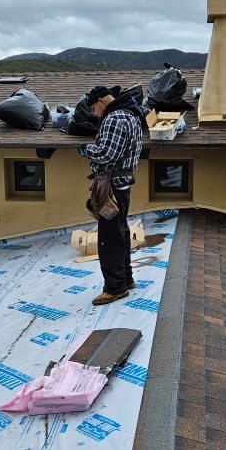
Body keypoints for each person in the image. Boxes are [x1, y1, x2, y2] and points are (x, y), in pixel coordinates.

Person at [78, 84, 144, 305]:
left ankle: (115, 288)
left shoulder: (114, 118)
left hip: (112, 188)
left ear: (102, 102)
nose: (94, 115)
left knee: (108, 240)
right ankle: (126, 279)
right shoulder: (131, 115)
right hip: (121, 186)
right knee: (121, 232)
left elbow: (107, 155)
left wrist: (86, 149)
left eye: (93, 109)